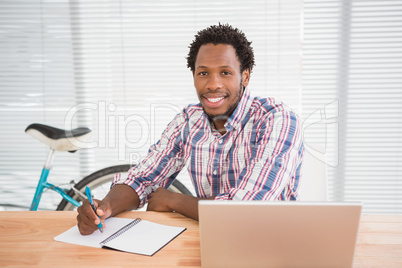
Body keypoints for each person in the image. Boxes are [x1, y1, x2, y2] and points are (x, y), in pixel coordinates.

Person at [77, 24, 304, 235]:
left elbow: (248, 210)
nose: (213, 84)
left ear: (245, 76)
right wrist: (104, 207)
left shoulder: (277, 119)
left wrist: (175, 201)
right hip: (212, 236)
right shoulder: (188, 121)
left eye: (225, 72)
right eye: (203, 73)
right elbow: (143, 179)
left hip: (272, 241)